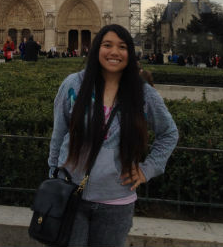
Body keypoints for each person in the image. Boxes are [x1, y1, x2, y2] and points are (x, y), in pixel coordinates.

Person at [48, 24, 178, 247]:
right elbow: (58, 134)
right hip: (70, 194)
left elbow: (169, 133)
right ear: (97, 48)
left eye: (122, 47)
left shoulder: (143, 93)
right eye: (107, 45)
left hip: (116, 201)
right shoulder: (73, 86)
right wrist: (52, 176)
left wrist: (147, 170)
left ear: (130, 54)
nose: (114, 52)